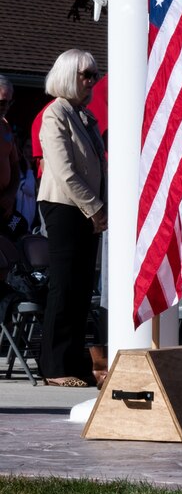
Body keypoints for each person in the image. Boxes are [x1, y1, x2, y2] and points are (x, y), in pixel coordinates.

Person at [37, 50, 107, 387]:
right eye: (86, 74)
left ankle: (76, 362)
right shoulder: (56, 115)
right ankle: (54, 366)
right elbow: (65, 171)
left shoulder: (84, 116)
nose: (92, 81)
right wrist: (95, 207)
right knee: (64, 286)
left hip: (87, 209)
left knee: (81, 289)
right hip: (65, 207)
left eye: (95, 74)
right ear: (67, 75)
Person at [0, 75, 23, 241]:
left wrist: (11, 194)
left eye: (9, 102)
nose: (6, 107)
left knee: (6, 258)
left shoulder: (6, 126)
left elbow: (15, 166)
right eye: (2, 102)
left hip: (4, 207)